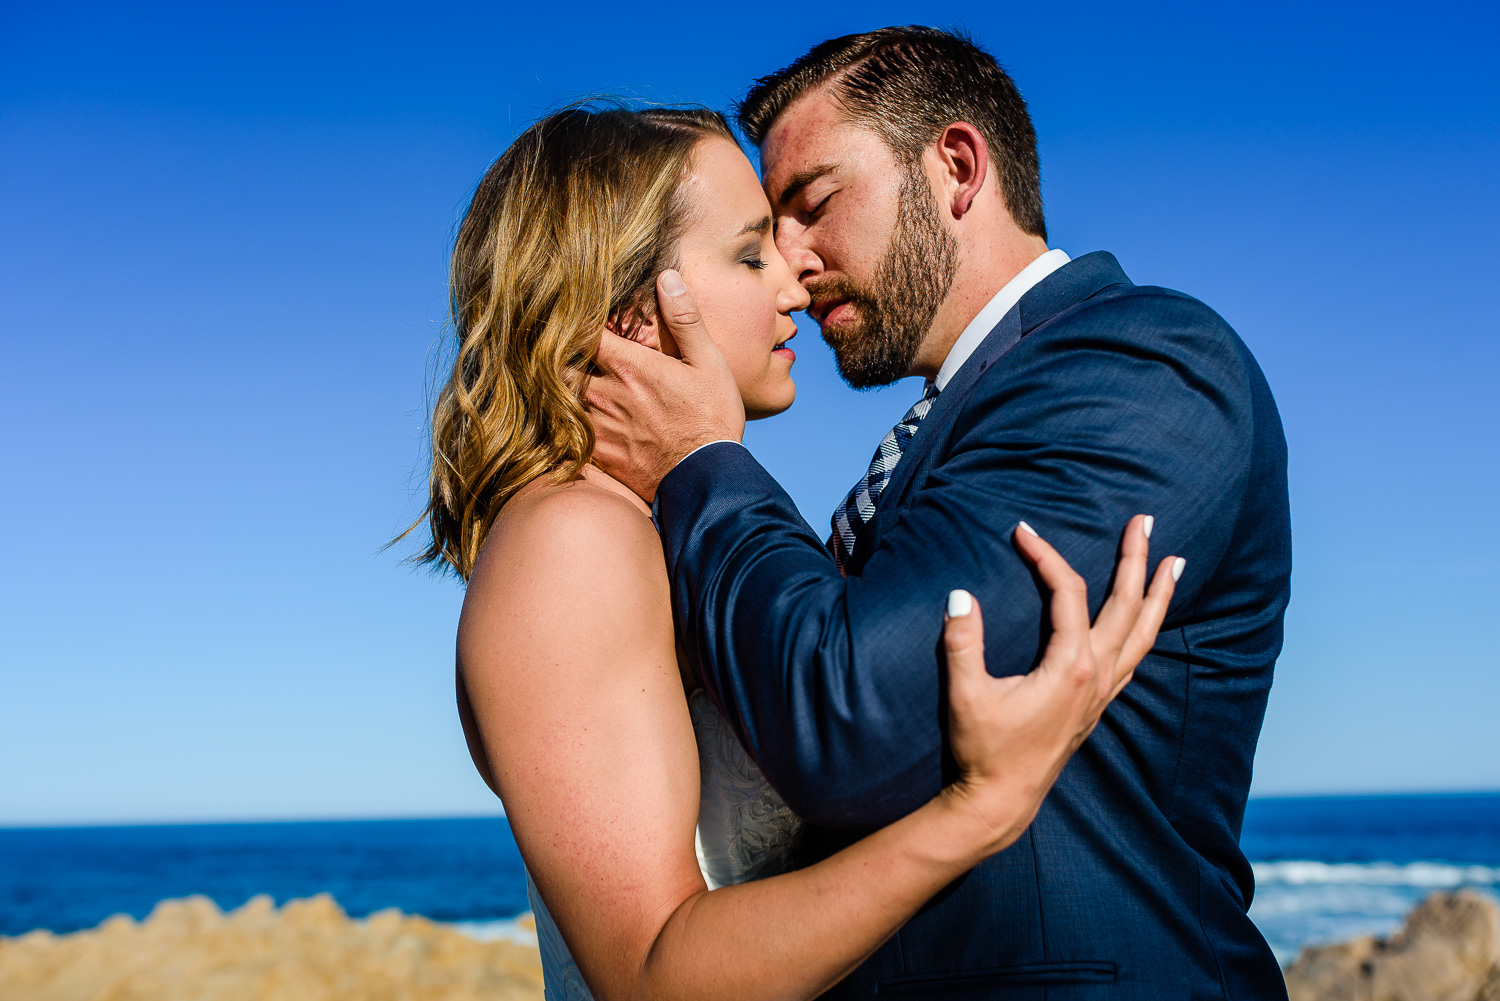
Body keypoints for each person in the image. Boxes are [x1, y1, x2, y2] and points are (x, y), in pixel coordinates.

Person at [409, 103, 1179, 1001]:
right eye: (748, 254)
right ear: (630, 311)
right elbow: (656, 975)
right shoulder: (572, 540)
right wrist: (974, 813)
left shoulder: (652, 531)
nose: (795, 285)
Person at [587, 27, 1293, 1001]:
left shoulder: (1140, 363)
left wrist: (703, 459)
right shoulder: (961, 422)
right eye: (769, 229)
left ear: (957, 166)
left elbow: (853, 716)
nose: (791, 262)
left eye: (814, 204)